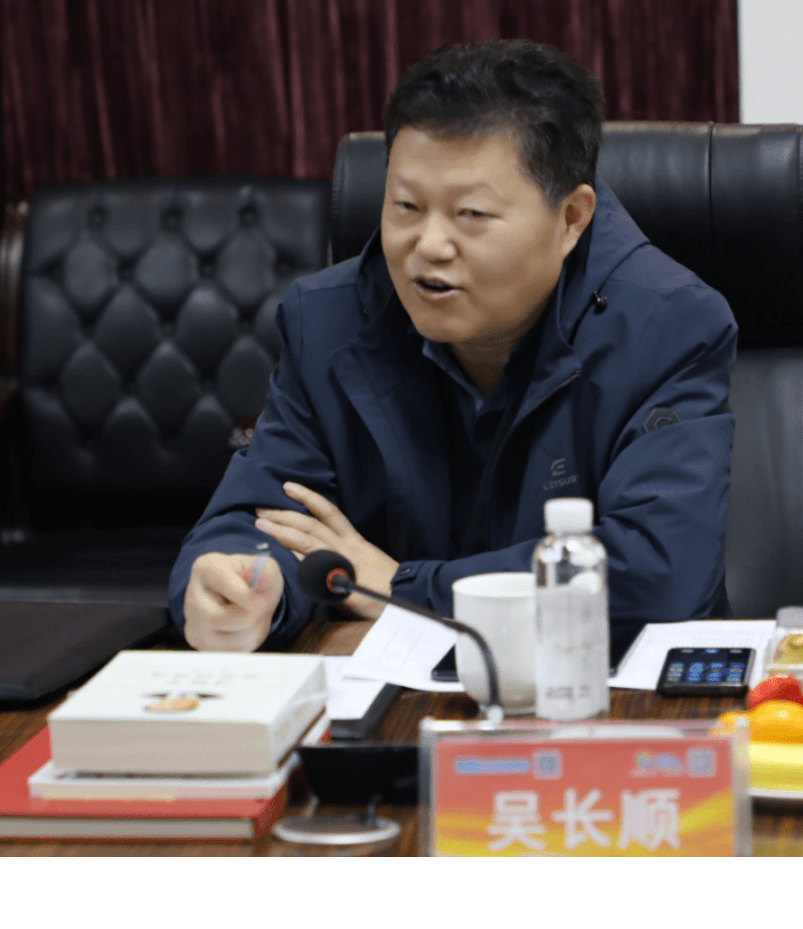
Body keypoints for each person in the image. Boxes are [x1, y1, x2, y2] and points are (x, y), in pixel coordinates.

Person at [169, 39, 737, 654]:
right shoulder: (326, 321)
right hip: (383, 688)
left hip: (600, 688)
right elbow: (261, 518)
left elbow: (660, 571)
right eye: (406, 206)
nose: (429, 246)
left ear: (572, 217)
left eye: (471, 215)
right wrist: (244, 585)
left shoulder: (668, 325)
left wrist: (404, 588)